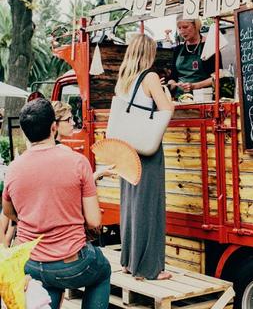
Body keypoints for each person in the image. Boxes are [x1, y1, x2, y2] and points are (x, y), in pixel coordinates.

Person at [2, 98, 111, 309]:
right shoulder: (78, 162)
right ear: (54, 127)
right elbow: (94, 221)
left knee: (47, 283)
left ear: (25, 133)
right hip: (72, 262)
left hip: (31, 264)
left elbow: (9, 212)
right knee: (102, 271)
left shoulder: (14, 168)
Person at [115, 33, 174, 280]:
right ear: (149, 53)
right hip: (147, 149)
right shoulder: (150, 77)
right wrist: (168, 94)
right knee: (149, 206)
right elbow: (166, 109)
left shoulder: (122, 80)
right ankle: (150, 268)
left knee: (130, 205)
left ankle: (129, 261)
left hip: (126, 149)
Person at [51, 100, 115, 181]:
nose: (73, 123)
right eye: (68, 119)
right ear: (55, 124)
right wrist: (99, 173)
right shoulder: (63, 151)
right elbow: (78, 187)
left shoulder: (46, 148)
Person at [168, 17, 222, 96]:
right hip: (180, 98)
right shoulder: (178, 49)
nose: (182, 31)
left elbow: (218, 76)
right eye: (179, 28)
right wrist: (170, 85)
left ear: (196, 26)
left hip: (204, 97)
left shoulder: (209, 46)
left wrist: (195, 86)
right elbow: (173, 76)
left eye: (185, 27)